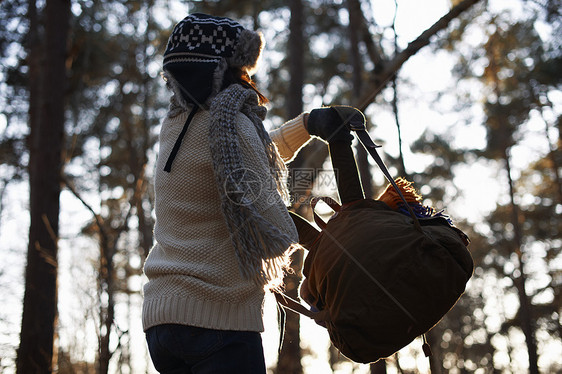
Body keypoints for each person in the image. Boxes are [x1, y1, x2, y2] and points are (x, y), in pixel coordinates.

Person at [142, 13, 362, 373]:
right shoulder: (234, 125)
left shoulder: (176, 126)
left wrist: (306, 126)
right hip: (218, 322)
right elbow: (273, 233)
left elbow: (242, 160)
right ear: (230, 69)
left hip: (162, 322)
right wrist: (331, 252)